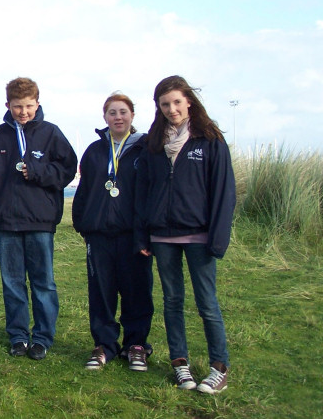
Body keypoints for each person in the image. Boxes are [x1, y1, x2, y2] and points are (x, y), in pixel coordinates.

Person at [135, 75, 235, 394]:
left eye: (177, 102)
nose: (172, 109)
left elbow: (224, 192)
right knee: (172, 301)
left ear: (189, 101)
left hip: (200, 236)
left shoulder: (210, 139)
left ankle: (219, 366)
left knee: (207, 303)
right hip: (162, 236)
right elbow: (142, 192)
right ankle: (181, 364)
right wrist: (143, 236)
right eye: (165, 104)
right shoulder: (152, 144)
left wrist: (218, 239)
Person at [0, 78, 77, 360]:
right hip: (7, 223)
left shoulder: (51, 133)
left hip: (39, 222)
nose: (23, 112)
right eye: (18, 106)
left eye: (29, 106)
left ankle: (43, 337)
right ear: (7, 105)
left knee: (43, 282)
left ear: (38, 103)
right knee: (12, 283)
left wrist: (37, 171)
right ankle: (19, 336)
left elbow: (67, 169)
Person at [72, 93, 153, 371]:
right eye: (112, 113)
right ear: (104, 117)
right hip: (99, 235)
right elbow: (83, 192)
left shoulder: (145, 149)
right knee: (101, 293)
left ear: (132, 115)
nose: (118, 117)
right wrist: (83, 224)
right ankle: (104, 345)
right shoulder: (94, 151)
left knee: (136, 291)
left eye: (123, 112)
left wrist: (147, 233)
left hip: (134, 237)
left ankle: (136, 346)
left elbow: (151, 193)